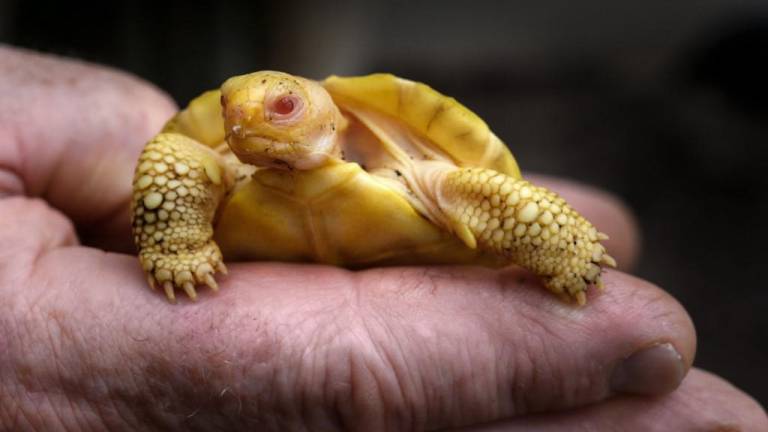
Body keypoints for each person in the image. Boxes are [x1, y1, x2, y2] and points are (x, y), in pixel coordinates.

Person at [0, 44, 764, 431]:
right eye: (235, 112)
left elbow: (490, 191)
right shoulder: (218, 168)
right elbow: (177, 155)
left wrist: (558, 245)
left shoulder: (423, 172)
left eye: (283, 108)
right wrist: (173, 243)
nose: (247, 121)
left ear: (327, 113)